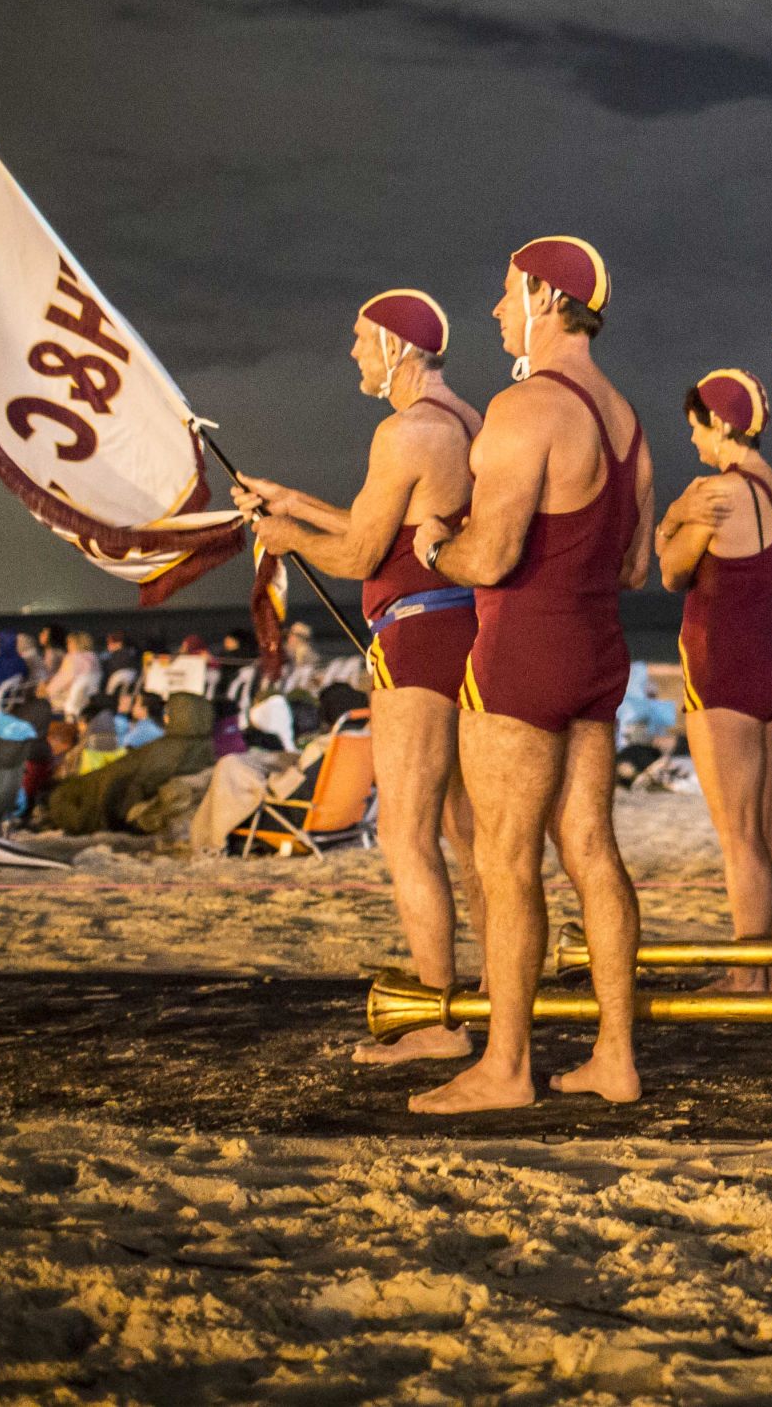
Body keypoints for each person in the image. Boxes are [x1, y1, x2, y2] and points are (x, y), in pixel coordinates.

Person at [408, 237, 652, 1114]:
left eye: (508, 294)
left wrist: (435, 540)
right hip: (597, 653)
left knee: (506, 862)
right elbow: (633, 567)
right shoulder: (625, 418)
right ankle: (614, 1056)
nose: (498, 311)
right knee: (591, 849)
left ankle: (506, 1065)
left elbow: (492, 553)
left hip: (523, 654)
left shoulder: (524, 407)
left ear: (548, 298)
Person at [236, 287, 489, 1066]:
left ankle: (442, 1020)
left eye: (359, 338)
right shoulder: (466, 422)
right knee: (470, 834)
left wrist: (289, 538)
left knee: (403, 832)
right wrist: (296, 503)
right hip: (467, 630)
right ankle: (506, 999)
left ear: (397, 346)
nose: (351, 351)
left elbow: (358, 557)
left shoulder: (403, 429)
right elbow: (393, 531)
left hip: (414, 643)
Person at [655, 366, 772, 993]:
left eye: (696, 429)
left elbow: (669, 569)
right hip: (766, 659)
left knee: (739, 837)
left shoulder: (721, 492)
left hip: (722, 670)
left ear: (720, 423)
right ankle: (765, 965)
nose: (693, 442)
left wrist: (676, 513)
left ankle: (748, 974)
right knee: (763, 829)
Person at [41, 631, 104, 718]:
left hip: (68, 703)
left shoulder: (72, 659)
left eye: (69, 643)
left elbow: (57, 685)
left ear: (75, 644)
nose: (67, 646)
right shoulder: (95, 658)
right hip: (88, 702)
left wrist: (45, 690)